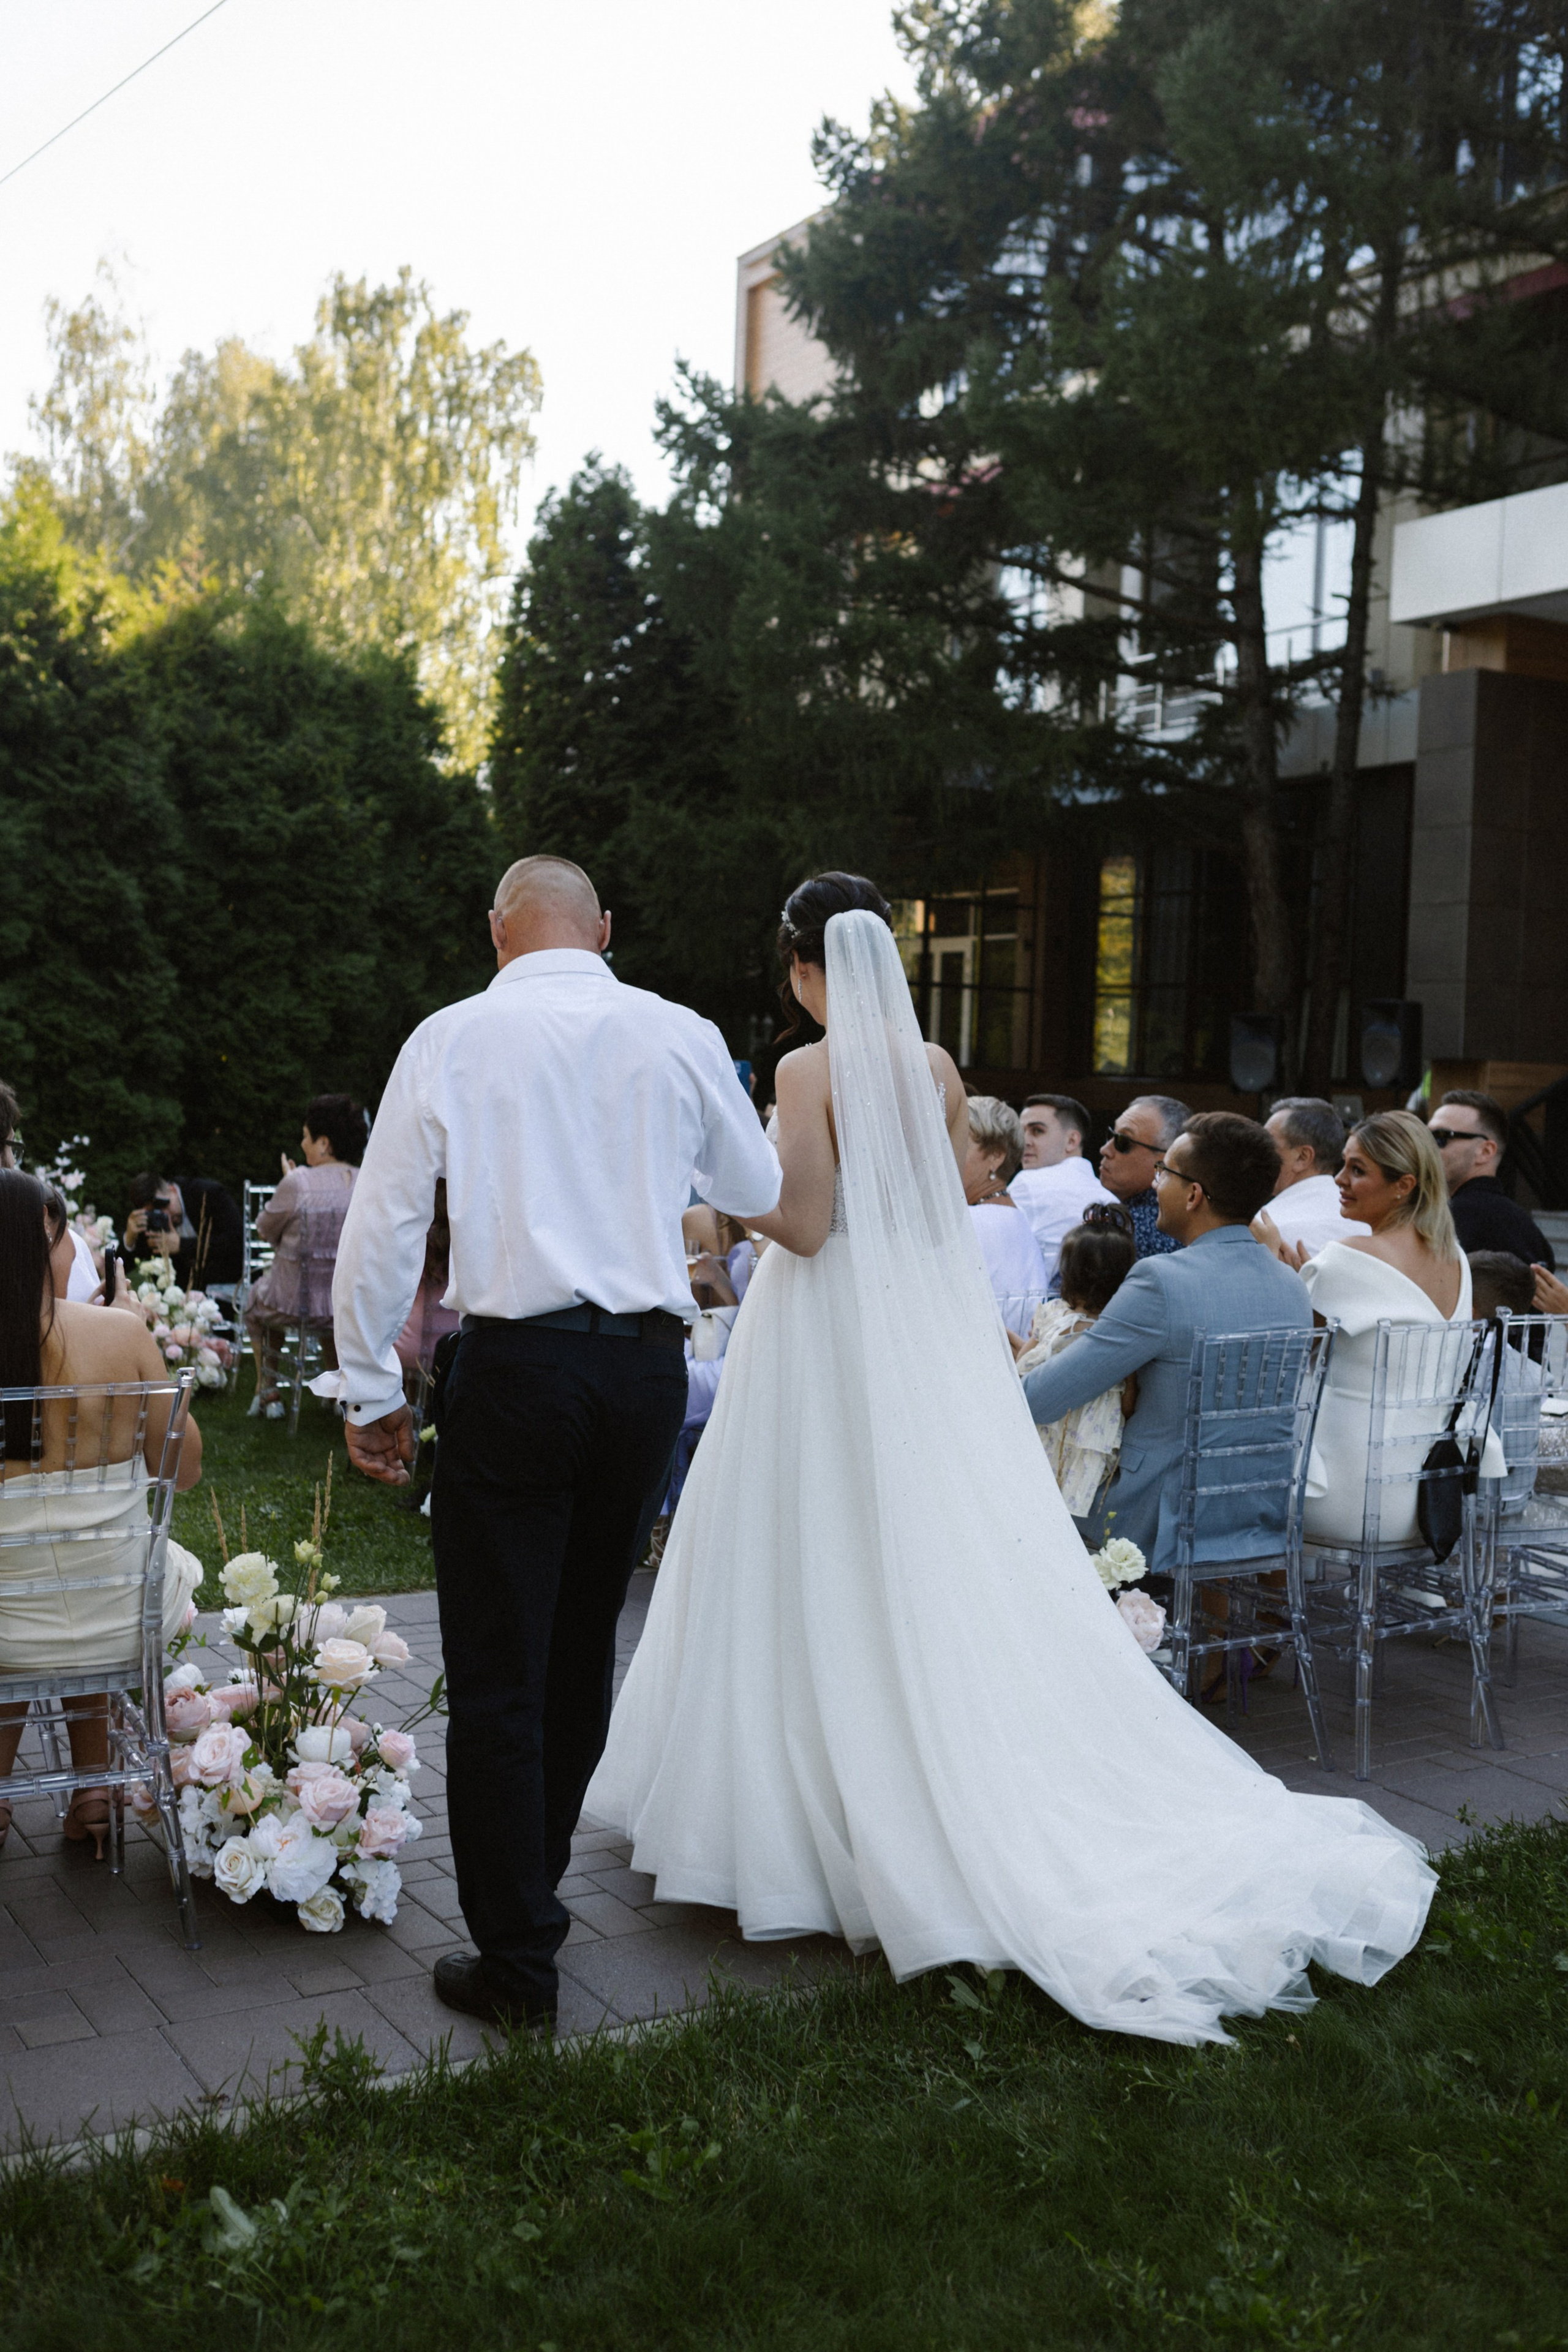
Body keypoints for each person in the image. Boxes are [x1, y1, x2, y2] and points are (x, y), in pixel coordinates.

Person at [587, 886, 1432, 2048]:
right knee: (912, 1533)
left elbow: (810, 1222)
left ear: (798, 964)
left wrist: (720, 1201)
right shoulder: (934, 1066)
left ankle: (795, 1814)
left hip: (822, 1324)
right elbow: (935, 1209)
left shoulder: (805, 1070)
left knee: (801, 1535)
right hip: (905, 1327)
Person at [332, 853, 781, 2034]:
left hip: (521, 1370)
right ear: (608, 930)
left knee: (496, 1666)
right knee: (580, 1647)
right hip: (642, 1372)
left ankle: (519, 1955)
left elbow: (383, 1224)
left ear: (496, 936)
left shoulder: (452, 1036)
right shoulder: (677, 1030)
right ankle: (531, 1913)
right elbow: (753, 1178)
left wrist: (371, 1384)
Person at [0, 1169, 205, 1855]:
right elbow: (187, 1469)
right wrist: (131, 1335)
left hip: (7, 1630)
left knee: (18, 1597)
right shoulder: (118, 1334)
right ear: (47, 1239)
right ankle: (94, 1791)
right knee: (88, 1569)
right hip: (122, 1620)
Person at [1020, 1111, 1312, 1565]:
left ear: (1194, 1194)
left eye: (1164, 1173)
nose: (1157, 1185)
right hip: (1257, 1513)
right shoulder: (1292, 1284)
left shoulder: (1162, 1282)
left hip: (1152, 1516)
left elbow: (1044, 1399)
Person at [1262, 1112, 1502, 1548]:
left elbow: (1276, 1356)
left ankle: (1259, 1611)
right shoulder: (1458, 1261)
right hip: (1427, 1501)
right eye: (1343, 1166)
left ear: (1403, 1186)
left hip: (1343, 1498)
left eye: (1357, 1170)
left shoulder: (1348, 1258)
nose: (1339, 1180)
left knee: (1225, 1450)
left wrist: (1271, 1267)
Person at [243, 1097, 363, 1416]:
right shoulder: (367, 1181)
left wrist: (289, 1180)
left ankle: (269, 1391)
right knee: (330, 1310)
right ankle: (339, 1391)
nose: (302, 1143)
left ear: (323, 1144)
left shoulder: (298, 1183)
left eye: (307, 1136)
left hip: (293, 1305)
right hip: (348, 1307)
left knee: (254, 1303)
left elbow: (265, 1231)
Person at [1016, 1205, 1137, 1520]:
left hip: (1043, 1433)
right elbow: (1128, 1404)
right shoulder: (1120, 1333)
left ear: (1068, 1275)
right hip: (1090, 1446)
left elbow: (1023, 1363)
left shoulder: (1053, 1314)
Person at [1429, 1091, 1555, 1270]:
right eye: (1425, 1137)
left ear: (1485, 1151)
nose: (1427, 1148)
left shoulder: (1452, 1219)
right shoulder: (1527, 1229)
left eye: (1440, 1137)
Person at [963, 1096, 1049, 1337]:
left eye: (959, 1145)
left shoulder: (968, 1223)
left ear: (996, 1157)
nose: (944, 1155)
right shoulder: (1016, 1219)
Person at [1009, 1095, 1116, 1288]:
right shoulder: (1111, 1199)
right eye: (1020, 1132)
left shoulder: (1027, 1184)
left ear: (1072, 1141)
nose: (1024, 1141)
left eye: (1037, 1131)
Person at [1260, 1098, 1370, 1257]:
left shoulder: (1266, 1229)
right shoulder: (1369, 1225)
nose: (1257, 1155)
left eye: (1267, 1146)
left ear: (1303, 1157)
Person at [1097, 1094, 1190, 1259]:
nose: (1105, 1150)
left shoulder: (1125, 1230)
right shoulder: (1189, 1222)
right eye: (1111, 1135)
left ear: (1165, 1163)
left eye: (1123, 1142)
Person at [124, 1172, 244, 1294]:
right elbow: (123, 1267)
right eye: (156, 1212)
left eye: (164, 1206)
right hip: (182, 1295)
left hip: (230, 1284)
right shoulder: (152, 1222)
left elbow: (237, 1242)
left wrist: (182, 1245)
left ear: (173, 1190)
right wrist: (130, 1239)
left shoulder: (208, 1193)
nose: (166, 1216)